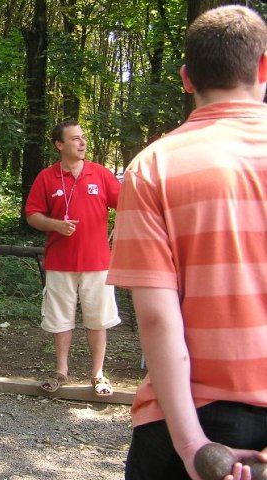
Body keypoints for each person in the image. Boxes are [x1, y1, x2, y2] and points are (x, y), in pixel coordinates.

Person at [107, 6, 267, 480]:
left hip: (185, 417)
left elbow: (157, 317)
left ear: (186, 78)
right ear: (263, 68)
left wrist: (191, 444)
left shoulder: (153, 167)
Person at [25, 120, 121, 396]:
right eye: (75, 139)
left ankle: (98, 374)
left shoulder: (100, 174)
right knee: (60, 319)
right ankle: (61, 371)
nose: (82, 143)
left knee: (98, 319)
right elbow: (32, 214)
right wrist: (55, 225)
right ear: (59, 145)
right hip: (59, 262)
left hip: (98, 262)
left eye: (83, 138)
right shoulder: (46, 177)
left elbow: (125, 202)